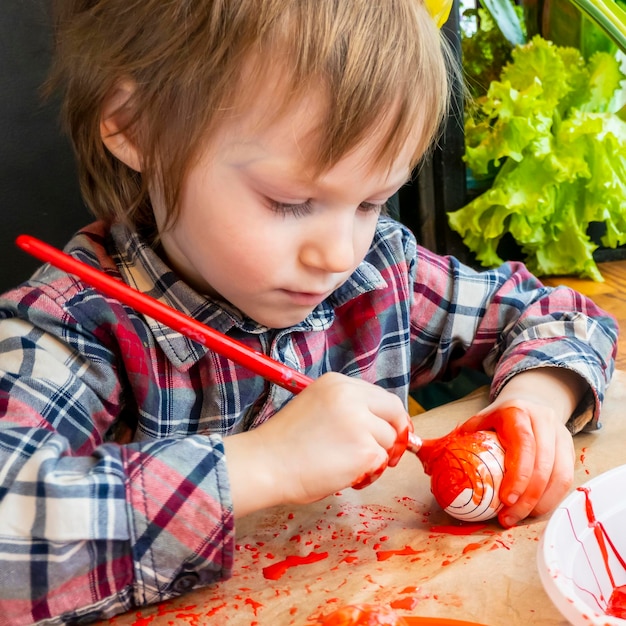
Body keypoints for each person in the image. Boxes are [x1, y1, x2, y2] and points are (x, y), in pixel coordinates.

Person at [0, 0, 618, 623]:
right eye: (289, 201)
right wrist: (264, 463)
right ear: (133, 125)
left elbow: (558, 313)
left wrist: (537, 403)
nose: (337, 253)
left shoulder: (379, 275)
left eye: (372, 201)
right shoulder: (73, 329)